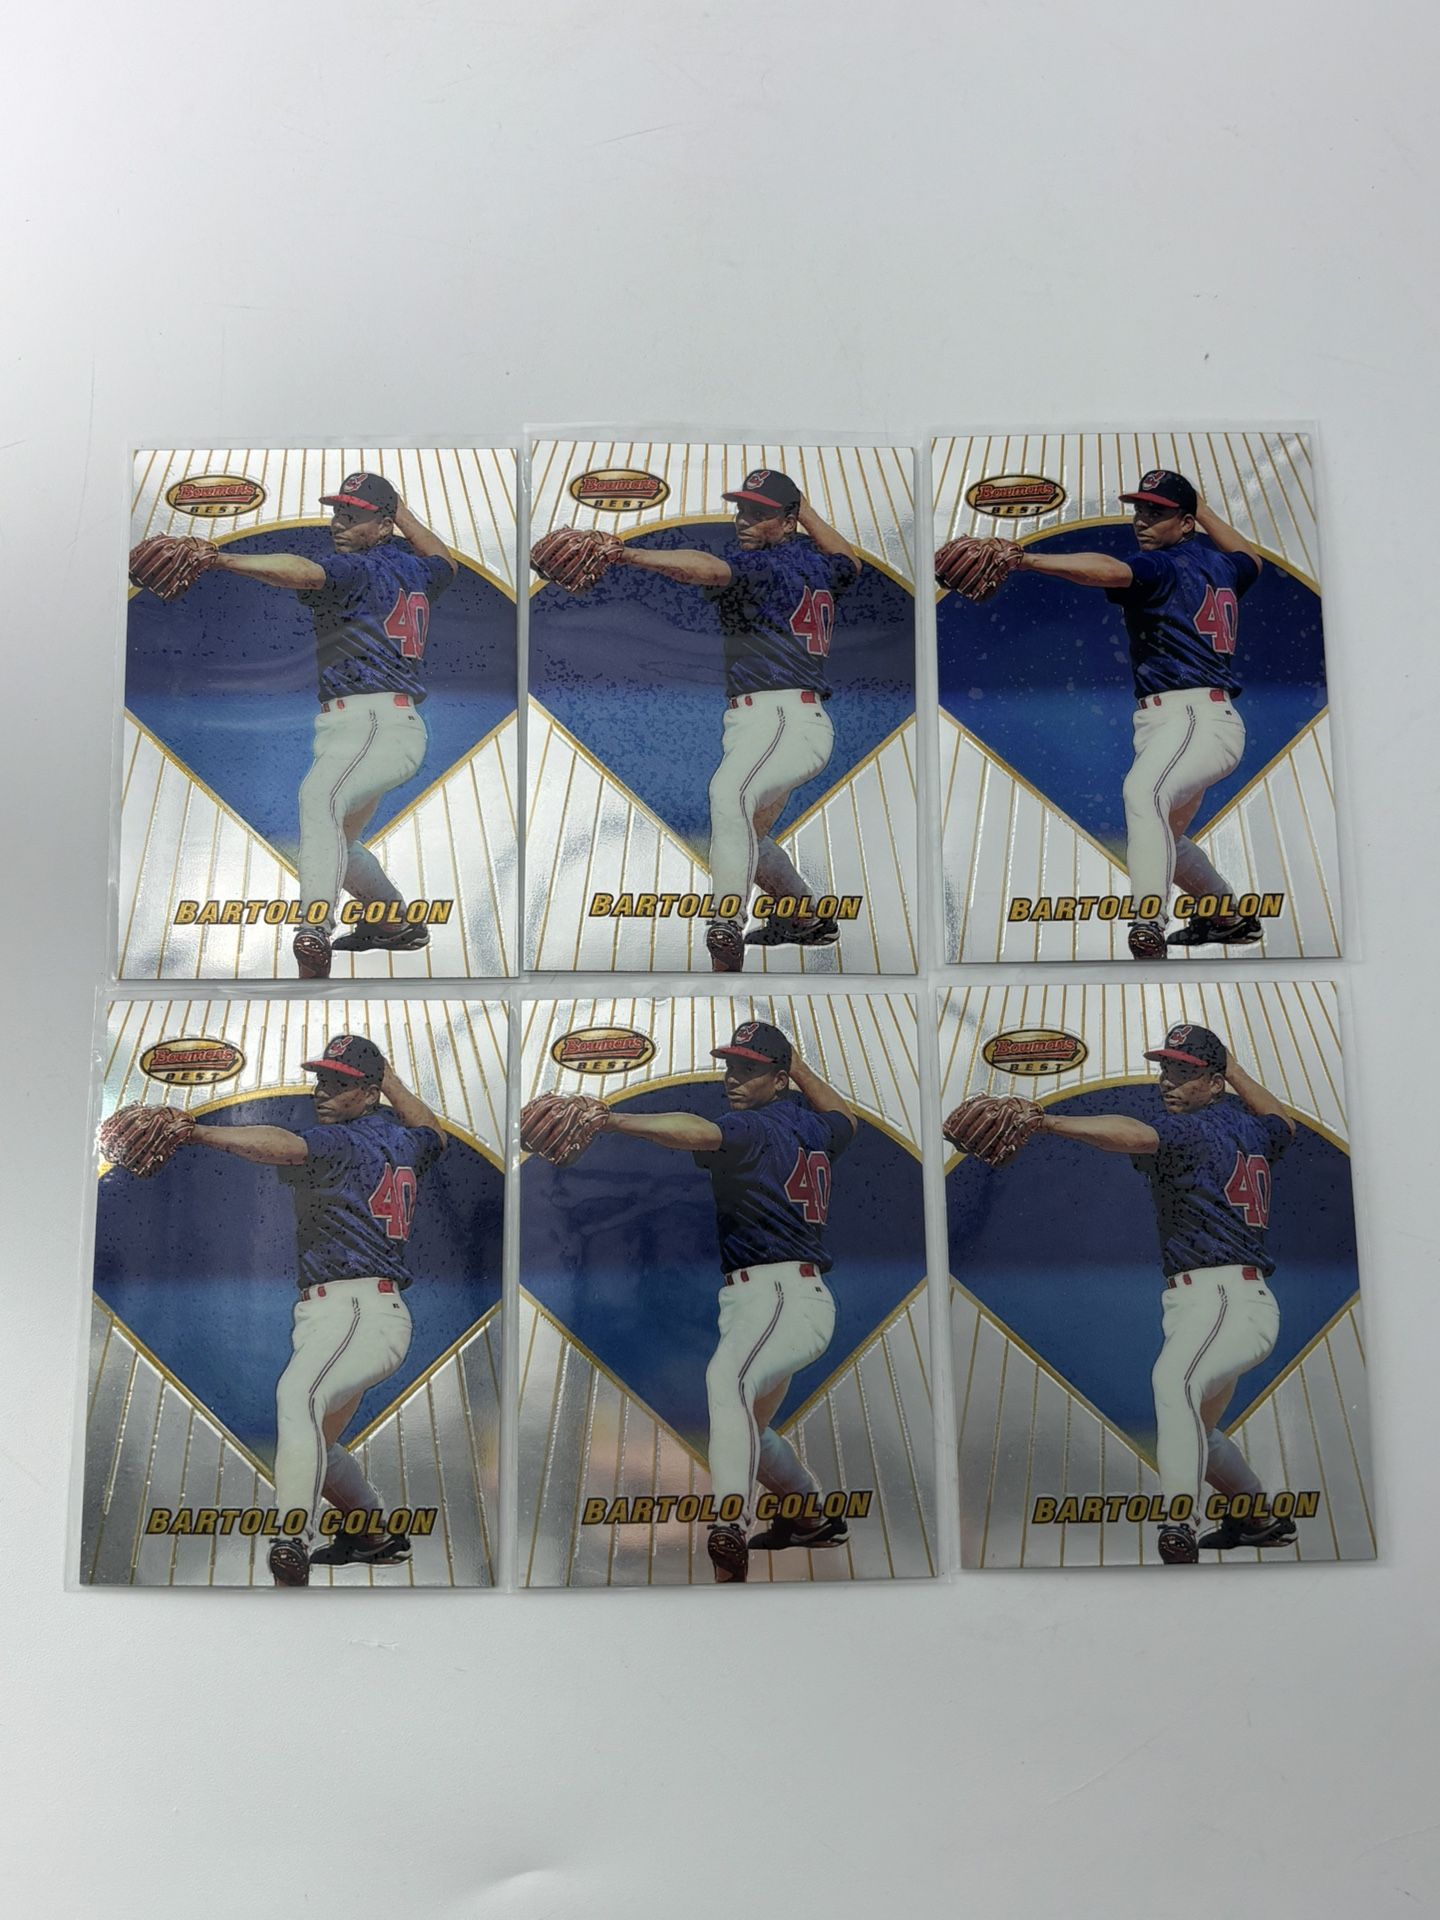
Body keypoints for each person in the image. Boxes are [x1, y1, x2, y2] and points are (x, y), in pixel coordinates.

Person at [182, 1033, 447, 1586]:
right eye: (322, 1078)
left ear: (367, 1093)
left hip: (354, 1311)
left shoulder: (343, 1142)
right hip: (358, 1313)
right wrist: (391, 1082)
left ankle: (292, 1538)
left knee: (298, 1397)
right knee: (314, 1444)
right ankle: (371, 1532)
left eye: (339, 1083)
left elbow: (282, 1145)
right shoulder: (404, 1142)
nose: (322, 1090)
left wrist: (197, 1131)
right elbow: (434, 1132)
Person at [1030, 1023, 1297, 1564]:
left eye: (1184, 1071)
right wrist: (1234, 1069)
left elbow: (1133, 1134)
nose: (1167, 1081)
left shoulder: (1195, 1131)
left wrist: (1046, 1121)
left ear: (1213, 1084)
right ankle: (1259, 1517)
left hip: (1222, 1300)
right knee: (1197, 1430)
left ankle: (1179, 1520)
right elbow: (1283, 1122)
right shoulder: (1252, 1128)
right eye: (1166, 1068)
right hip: (1222, 1302)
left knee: (1175, 1384)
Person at [600, 1020, 858, 1582]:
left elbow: (696, 1131)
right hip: (779, 1299)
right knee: (748, 1432)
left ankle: (729, 1524)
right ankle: (810, 1518)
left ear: (778, 1080)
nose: (733, 1078)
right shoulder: (817, 1128)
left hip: (779, 1295)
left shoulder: (755, 1126)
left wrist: (613, 1119)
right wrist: (797, 1067)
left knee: (728, 1381)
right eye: (731, 1066)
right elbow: (846, 1117)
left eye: (749, 1069)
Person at [207, 471, 458, 978]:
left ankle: (313, 928)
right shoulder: (416, 570)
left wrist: (220, 559)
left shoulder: (357, 569)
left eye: (353, 515)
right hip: (379, 726)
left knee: (318, 800)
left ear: (382, 527)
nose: (338, 523)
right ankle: (393, 923)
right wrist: (402, 514)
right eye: (338, 512)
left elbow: (302, 572)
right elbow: (445, 561)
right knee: (330, 841)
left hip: (372, 722)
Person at [607, 470, 861, 970]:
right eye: (742, 509)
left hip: (780, 718)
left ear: (787, 522)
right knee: (745, 837)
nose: (744, 520)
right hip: (778, 722)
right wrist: (805, 509)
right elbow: (848, 560)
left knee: (729, 796)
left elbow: (705, 569)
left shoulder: (768, 565)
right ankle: (806, 919)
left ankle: (725, 920)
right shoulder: (818, 565)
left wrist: (627, 554)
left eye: (760, 513)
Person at [1016, 469, 1264, 958]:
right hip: (1188, 721)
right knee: (1165, 837)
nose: (1142, 520)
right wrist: (1204, 510)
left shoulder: (1163, 566)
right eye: (1140, 509)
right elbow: (1251, 559)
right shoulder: (1223, 566)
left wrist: (1028, 559)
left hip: (1192, 718)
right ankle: (1228, 918)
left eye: (1157, 512)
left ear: (1185, 523)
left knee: (1144, 793)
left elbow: (1109, 570)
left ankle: (1148, 921)